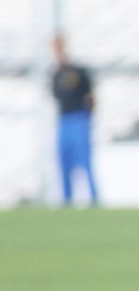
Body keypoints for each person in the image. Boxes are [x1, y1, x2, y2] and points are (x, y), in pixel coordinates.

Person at [50, 34, 98, 206]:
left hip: (79, 118)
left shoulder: (79, 71)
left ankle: (95, 200)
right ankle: (67, 202)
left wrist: (89, 118)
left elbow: (91, 97)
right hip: (64, 120)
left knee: (85, 161)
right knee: (64, 162)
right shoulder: (55, 74)